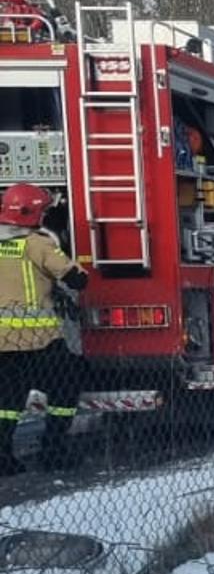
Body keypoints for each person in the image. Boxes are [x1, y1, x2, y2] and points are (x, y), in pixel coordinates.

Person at [0, 183, 89, 474]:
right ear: (33, 214)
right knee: (67, 386)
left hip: (3, 344)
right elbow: (75, 278)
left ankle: (3, 457)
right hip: (40, 343)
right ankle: (53, 449)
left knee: (8, 401)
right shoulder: (38, 244)